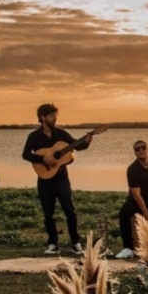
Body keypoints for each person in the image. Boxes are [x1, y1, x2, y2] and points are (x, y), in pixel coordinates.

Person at [21, 103, 91, 255]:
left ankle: (75, 243)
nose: (55, 118)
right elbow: (25, 155)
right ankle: (53, 243)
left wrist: (88, 140)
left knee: (70, 211)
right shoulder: (33, 136)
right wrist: (43, 159)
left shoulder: (61, 134)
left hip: (61, 179)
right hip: (44, 178)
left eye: (55, 115)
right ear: (43, 117)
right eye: (52, 115)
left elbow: (77, 146)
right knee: (48, 213)